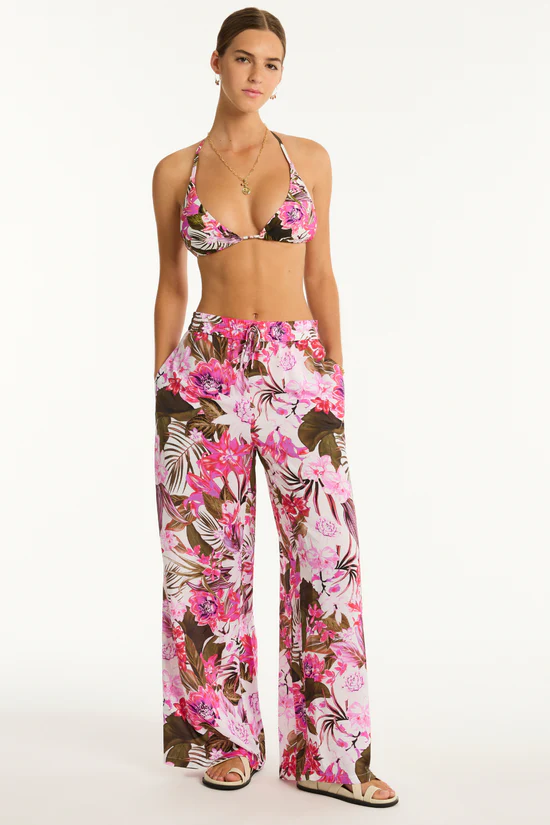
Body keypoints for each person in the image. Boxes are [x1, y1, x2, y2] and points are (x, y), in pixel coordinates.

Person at [152, 7, 398, 809]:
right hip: (205, 376)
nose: (257, 76)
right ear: (216, 62)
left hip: (299, 370)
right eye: (244, 59)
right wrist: (162, 379)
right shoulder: (175, 170)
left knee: (327, 556)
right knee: (208, 565)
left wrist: (334, 376)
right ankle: (228, 740)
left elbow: (321, 274)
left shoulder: (310, 160)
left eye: (272, 64)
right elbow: (170, 284)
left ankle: (330, 753)